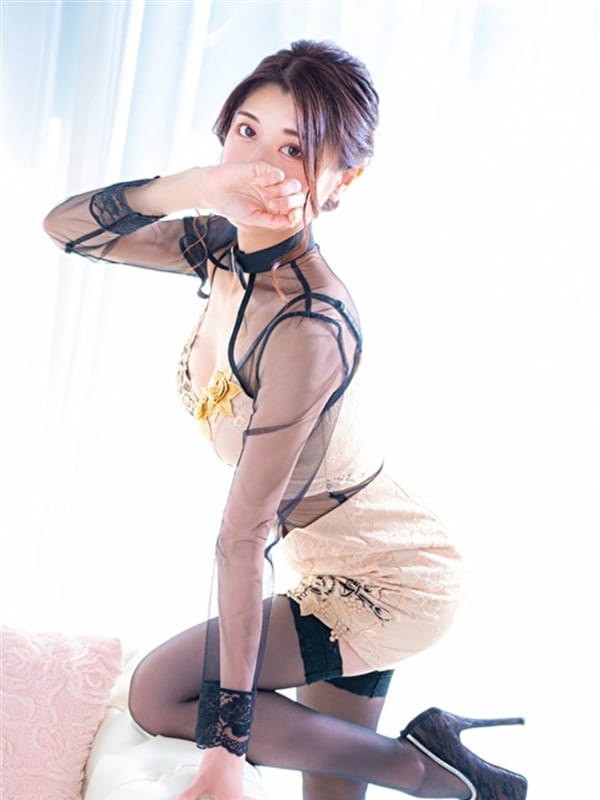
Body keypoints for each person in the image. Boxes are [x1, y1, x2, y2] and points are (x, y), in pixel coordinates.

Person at [43, 40, 527, 800]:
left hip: (391, 575)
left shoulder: (309, 324)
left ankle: (428, 771)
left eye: (294, 149)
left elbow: (242, 536)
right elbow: (67, 227)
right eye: (247, 131)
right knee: (328, 797)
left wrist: (226, 753)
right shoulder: (221, 252)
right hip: (327, 560)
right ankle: (442, 764)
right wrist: (197, 187)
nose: (260, 167)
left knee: (159, 691)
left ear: (342, 181)